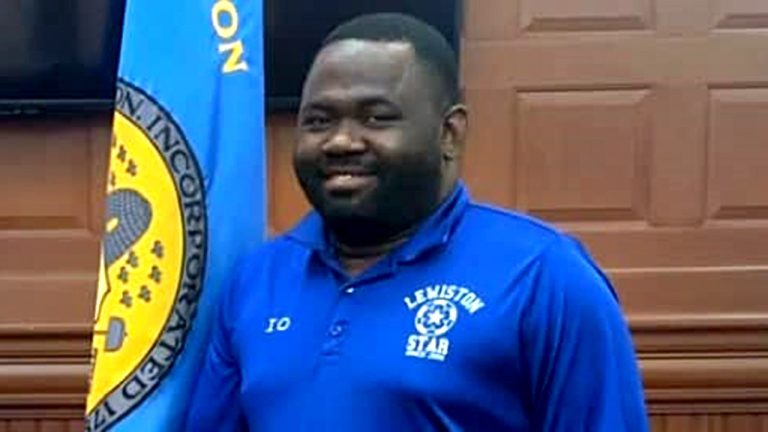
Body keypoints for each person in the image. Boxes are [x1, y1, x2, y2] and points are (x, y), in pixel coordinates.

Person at [187, 13, 649, 431]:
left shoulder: (544, 277)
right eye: (318, 121)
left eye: (376, 117)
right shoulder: (255, 281)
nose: (341, 141)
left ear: (449, 133)